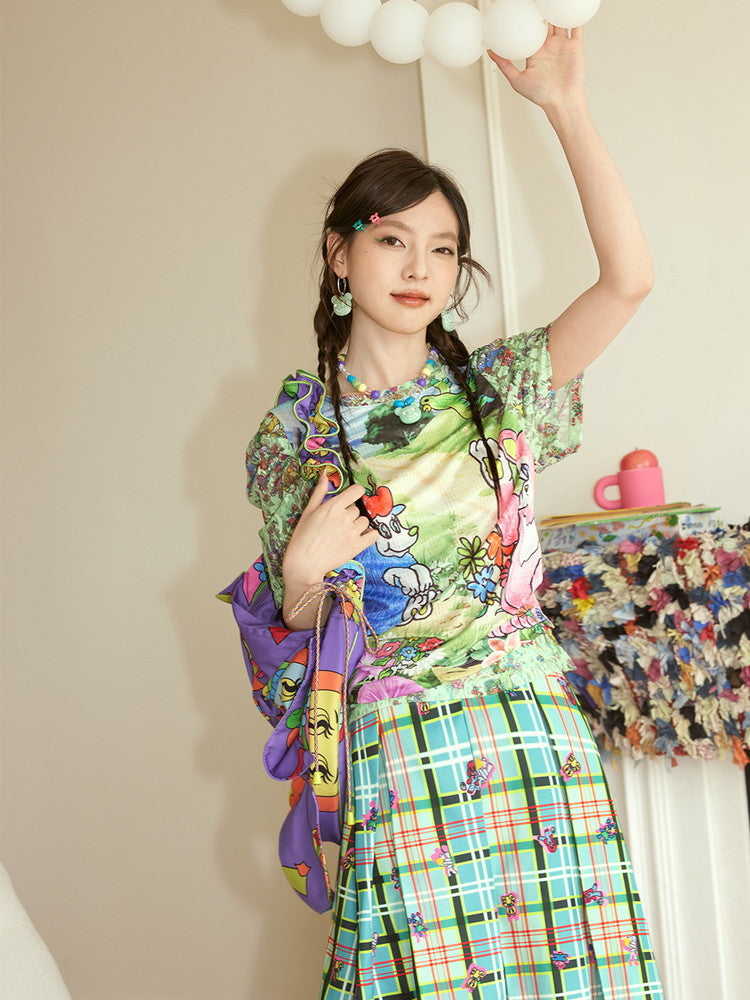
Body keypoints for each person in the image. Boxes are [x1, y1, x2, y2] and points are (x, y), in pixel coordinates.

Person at [235, 25, 664, 1000]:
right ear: (340, 254)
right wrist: (301, 573)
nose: (418, 266)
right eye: (392, 239)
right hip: (403, 751)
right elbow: (300, 636)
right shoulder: (297, 431)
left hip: (531, 734)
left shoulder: (501, 388)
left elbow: (628, 281)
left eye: (442, 249)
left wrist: (565, 106)